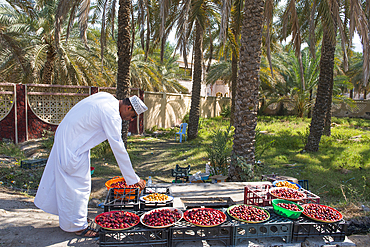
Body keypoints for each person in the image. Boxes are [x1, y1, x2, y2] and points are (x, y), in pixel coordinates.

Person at [34, 92, 147, 238]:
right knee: (78, 186)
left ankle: (74, 220)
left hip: (70, 139)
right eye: (133, 116)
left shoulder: (107, 97)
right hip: (72, 145)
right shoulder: (112, 114)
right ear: (128, 107)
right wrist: (133, 179)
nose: (131, 120)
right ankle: (77, 226)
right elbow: (118, 148)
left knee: (70, 182)